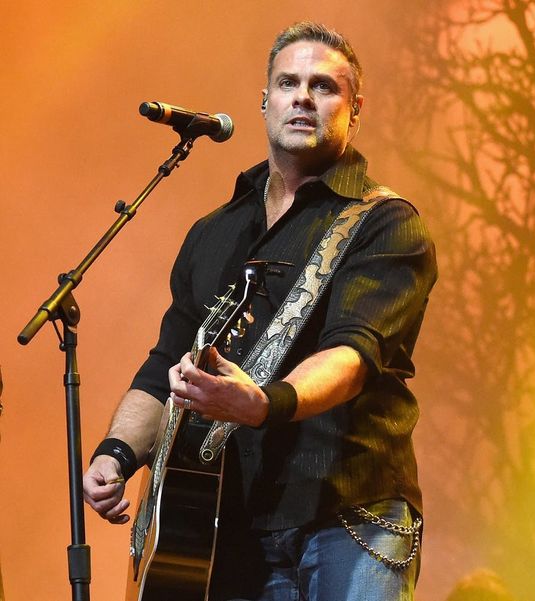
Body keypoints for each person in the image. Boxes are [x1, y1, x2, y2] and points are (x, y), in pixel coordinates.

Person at [83, 21, 437, 601]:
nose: (303, 97)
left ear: (355, 110)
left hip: (349, 512)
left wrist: (264, 403)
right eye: (288, 83)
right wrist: (117, 453)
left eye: (324, 87)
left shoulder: (385, 223)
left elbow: (352, 353)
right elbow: (165, 364)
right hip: (230, 531)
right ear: (264, 100)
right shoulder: (214, 231)